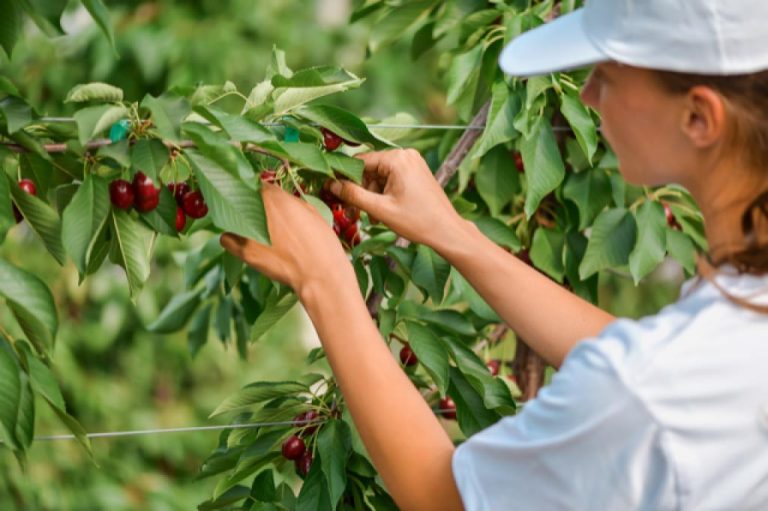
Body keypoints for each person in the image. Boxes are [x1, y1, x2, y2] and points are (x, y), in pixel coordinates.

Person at [221, 0, 768, 508]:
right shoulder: (737, 315)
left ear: (698, 117)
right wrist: (453, 234)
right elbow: (644, 361)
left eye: (606, 75)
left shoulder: (650, 389)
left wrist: (323, 281)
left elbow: (445, 497)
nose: (586, 95)